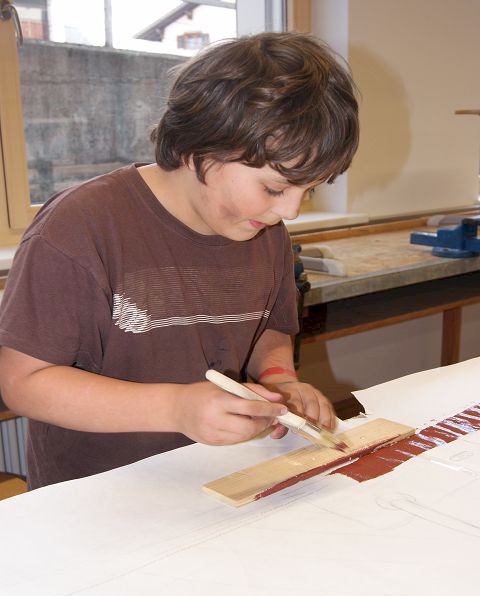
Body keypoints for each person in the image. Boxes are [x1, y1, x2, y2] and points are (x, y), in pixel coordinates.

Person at [0, 31, 359, 489]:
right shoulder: (80, 228)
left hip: (211, 480)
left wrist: (280, 382)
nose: (289, 211)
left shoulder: (262, 229)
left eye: (307, 191)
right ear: (198, 149)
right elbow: (23, 383)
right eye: (274, 188)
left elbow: (267, 328)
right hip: (98, 496)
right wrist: (175, 408)